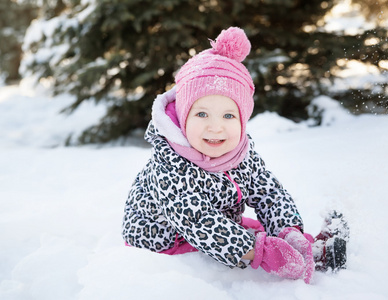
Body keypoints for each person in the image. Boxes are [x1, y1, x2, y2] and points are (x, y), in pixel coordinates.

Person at [122, 27, 345, 283]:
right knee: (256, 243)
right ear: (183, 117)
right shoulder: (171, 165)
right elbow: (201, 224)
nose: (215, 127)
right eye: (201, 114)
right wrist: (262, 252)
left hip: (214, 224)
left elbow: (268, 192)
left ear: (243, 119)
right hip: (167, 242)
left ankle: (309, 251)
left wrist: (288, 231)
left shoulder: (240, 151)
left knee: (266, 233)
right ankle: (300, 258)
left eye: (228, 116)